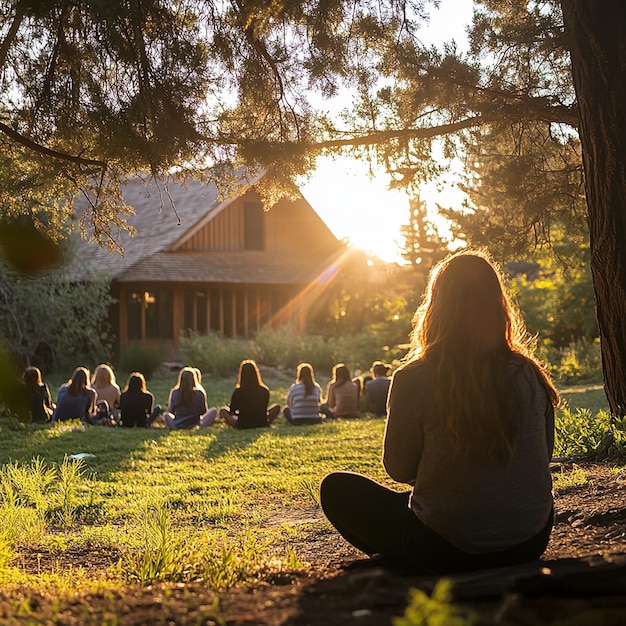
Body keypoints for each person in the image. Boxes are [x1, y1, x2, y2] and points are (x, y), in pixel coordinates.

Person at [320, 250, 559, 574]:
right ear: (497, 303)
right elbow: (543, 453)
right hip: (530, 540)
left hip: (447, 546)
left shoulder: (415, 378)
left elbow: (399, 468)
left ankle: (410, 560)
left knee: (336, 489)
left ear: (437, 307)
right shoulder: (529, 373)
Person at [220, 360, 281, 429]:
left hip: (243, 424)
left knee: (223, 411)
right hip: (262, 422)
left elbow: (232, 410)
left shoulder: (238, 391)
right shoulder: (264, 390)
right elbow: (264, 409)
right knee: (277, 407)